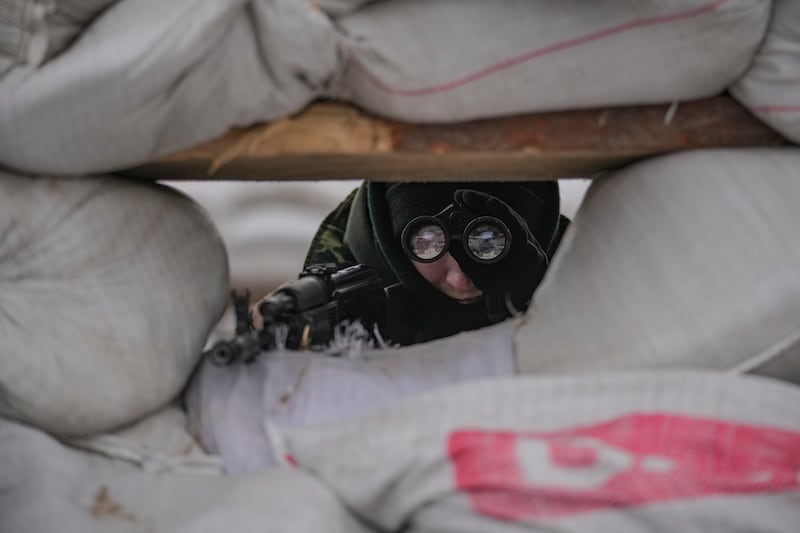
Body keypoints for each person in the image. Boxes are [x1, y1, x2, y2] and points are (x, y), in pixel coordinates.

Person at [303, 181, 570, 345]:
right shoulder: (340, 300)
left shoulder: (587, 274)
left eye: (488, 243)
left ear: (538, 235)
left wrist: (538, 316)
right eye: (427, 244)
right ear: (387, 243)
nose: (460, 279)